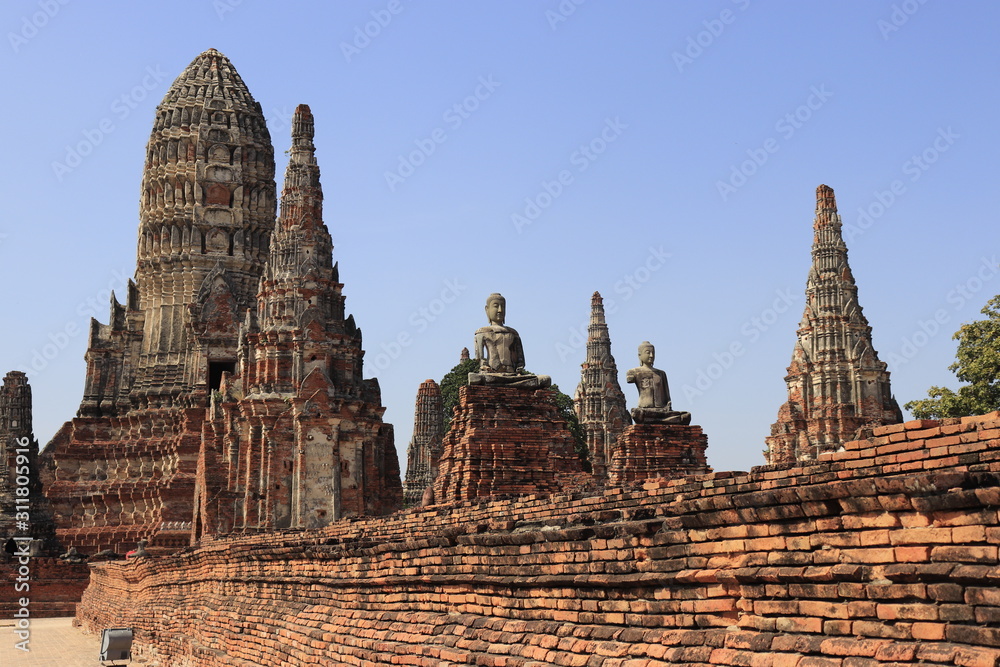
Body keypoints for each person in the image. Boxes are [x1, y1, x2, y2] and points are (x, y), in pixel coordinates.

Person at [468, 293, 550, 388]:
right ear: (487, 310)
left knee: (545, 379)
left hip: (512, 375)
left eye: (503, 306)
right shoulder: (482, 333)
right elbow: (480, 359)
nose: (500, 310)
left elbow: (520, 360)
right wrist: (485, 368)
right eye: (496, 306)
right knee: (475, 379)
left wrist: (519, 368)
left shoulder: (513, 333)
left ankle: (511, 384)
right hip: (492, 375)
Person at [625, 341, 690, 424]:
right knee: (637, 414)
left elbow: (667, 395)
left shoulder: (661, 373)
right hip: (645, 410)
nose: (651, 355)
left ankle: (662, 420)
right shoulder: (633, 372)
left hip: (662, 411)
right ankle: (662, 420)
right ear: (639, 356)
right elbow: (629, 380)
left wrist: (668, 405)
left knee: (685, 416)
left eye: (653, 353)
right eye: (648, 353)